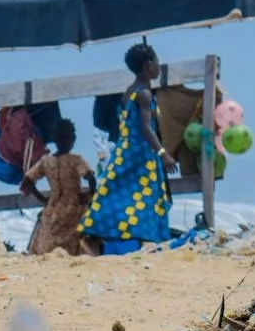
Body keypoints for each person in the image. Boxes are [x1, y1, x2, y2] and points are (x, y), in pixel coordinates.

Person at [79, 41, 177, 252]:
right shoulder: (144, 94)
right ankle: (105, 236)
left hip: (127, 152)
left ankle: (103, 235)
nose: (158, 66)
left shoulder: (130, 91)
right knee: (145, 197)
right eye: (157, 62)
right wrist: (163, 154)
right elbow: (145, 128)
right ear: (148, 65)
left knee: (119, 193)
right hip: (140, 155)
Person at [22, 120, 95, 255]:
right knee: (77, 239)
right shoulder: (76, 159)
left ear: (54, 139)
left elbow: (27, 182)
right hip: (74, 205)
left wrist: (42, 198)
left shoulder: (46, 161)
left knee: (48, 240)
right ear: (73, 138)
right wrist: (90, 195)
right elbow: (90, 178)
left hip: (53, 205)